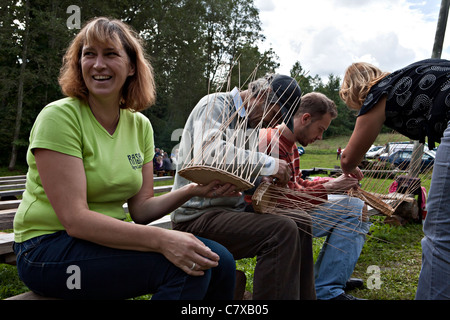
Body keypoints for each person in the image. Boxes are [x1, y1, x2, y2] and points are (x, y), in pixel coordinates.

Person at [13, 17, 238, 300]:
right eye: (89, 54)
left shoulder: (139, 125)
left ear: (131, 67)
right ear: (78, 63)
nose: (98, 64)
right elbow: (76, 221)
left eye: (110, 54)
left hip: (105, 241)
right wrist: (162, 239)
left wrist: (194, 189)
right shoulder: (59, 118)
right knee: (189, 266)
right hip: (47, 247)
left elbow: (141, 210)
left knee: (221, 261)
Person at [172, 74, 317, 299]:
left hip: (228, 212)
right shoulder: (214, 105)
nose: (273, 123)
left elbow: (237, 172)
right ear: (263, 96)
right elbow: (209, 153)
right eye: (276, 114)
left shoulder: (250, 122)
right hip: (196, 216)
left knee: (300, 221)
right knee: (281, 230)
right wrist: (268, 164)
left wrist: (261, 182)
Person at [339, 59, 450, 300]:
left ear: (353, 91)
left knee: (440, 231)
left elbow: (348, 159)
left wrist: (351, 168)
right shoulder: (402, 81)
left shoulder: (379, 93)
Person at [258, 92, 370, 300]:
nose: (320, 137)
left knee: (357, 207)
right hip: (275, 218)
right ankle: (327, 289)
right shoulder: (272, 142)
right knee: (353, 208)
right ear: (305, 118)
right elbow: (282, 200)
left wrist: (332, 181)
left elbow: (298, 184)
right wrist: (330, 188)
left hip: (290, 211)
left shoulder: (290, 144)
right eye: (321, 130)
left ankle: (330, 278)